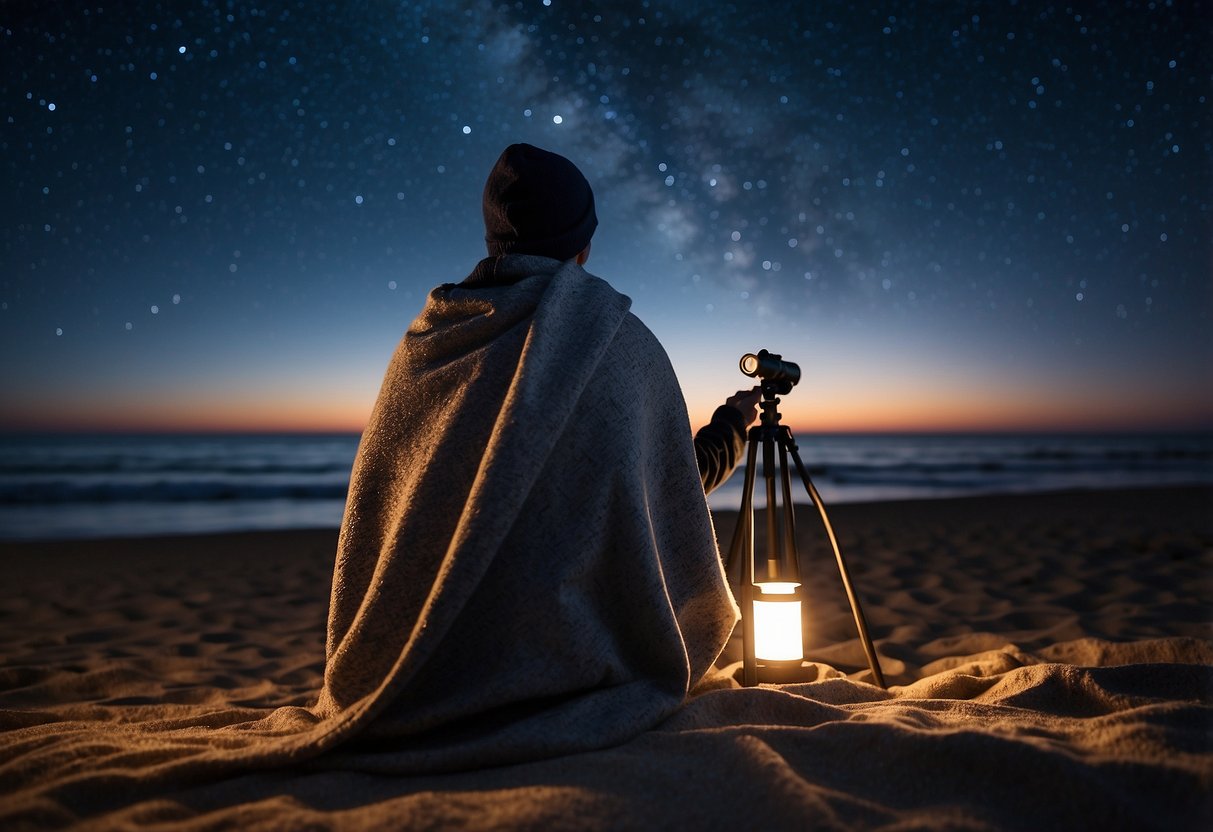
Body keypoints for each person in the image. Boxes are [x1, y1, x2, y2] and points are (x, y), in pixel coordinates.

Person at [313, 143, 759, 772]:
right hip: (564, 667)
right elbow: (670, 489)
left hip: (420, 668)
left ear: (496, 237)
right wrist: (734, 424)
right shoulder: (618, 345)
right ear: (583, 245)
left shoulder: (428, 343)